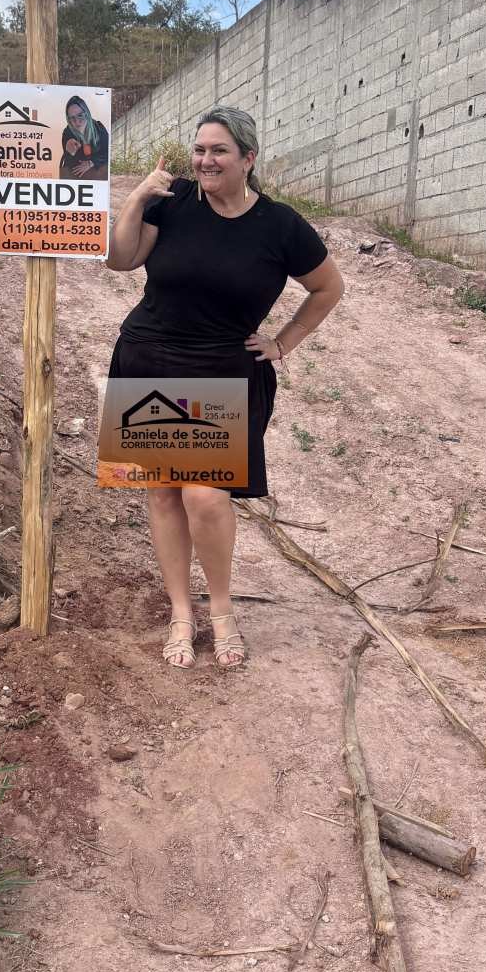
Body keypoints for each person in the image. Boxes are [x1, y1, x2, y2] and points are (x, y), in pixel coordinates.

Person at [104, 106, 344, 670]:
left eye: (218, 151)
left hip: (219, 367)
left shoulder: (281, 226)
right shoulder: (176, 201)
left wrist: (284, 342)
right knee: (163, 492)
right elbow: (119, 260)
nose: (205, 160)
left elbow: (328, 288)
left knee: (205, 496)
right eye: (200, 149)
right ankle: (181, 614)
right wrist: (137, 198)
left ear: (248, 159)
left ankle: (221, 610)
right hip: (149, 356)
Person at [59, 95, 110, 180]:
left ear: (87, 113)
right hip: (77, 180)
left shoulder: (98, 127)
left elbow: (107, 153)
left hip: (98, 178)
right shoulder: (67, 133)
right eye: (72, 118)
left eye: (80, 115)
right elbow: (67, 165)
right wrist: (69, 153)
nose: (77, 121)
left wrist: (91, 163)